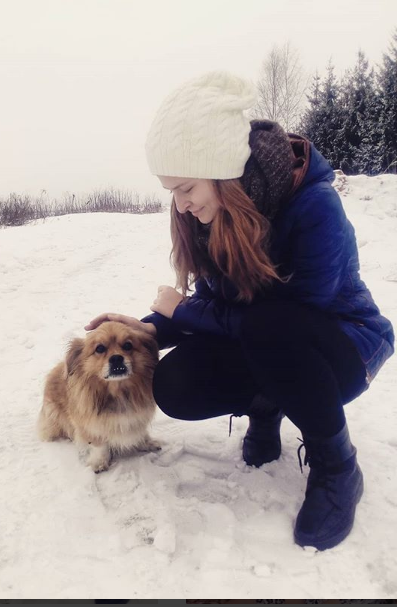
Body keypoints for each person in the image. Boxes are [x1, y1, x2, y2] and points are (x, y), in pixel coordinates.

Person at [84, 71, 394, 551]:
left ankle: (338, 467)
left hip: (343, 347)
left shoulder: (314, 206)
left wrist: (184, 312)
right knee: (176, 383)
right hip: (271, 342)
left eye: (186, 187)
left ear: (222, 170)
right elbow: (220, 305)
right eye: (171, 191)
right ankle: (266, 408)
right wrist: (143, 331)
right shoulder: (212, 217)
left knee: (271, 326)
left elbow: (291, 319)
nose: (181, 205)